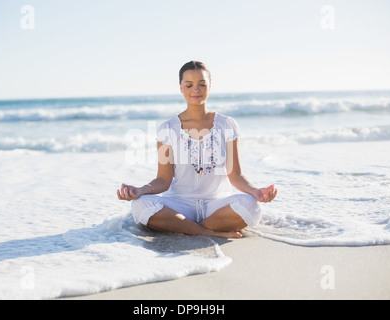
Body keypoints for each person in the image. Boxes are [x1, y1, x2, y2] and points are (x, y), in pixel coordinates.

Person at [117, 61, 277, 238]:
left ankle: (185, 227)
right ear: (181, 88)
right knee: (140, 205)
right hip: (179, 204)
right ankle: (209, 231)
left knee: (252, 206)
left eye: (202, 84)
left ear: (210, 86)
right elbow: (163, 179)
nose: (196, 89)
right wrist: (141, 190)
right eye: (189, 85)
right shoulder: (168, 128)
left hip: (216, 206)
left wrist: (256, 191)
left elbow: (236, 175)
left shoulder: (227, 124)